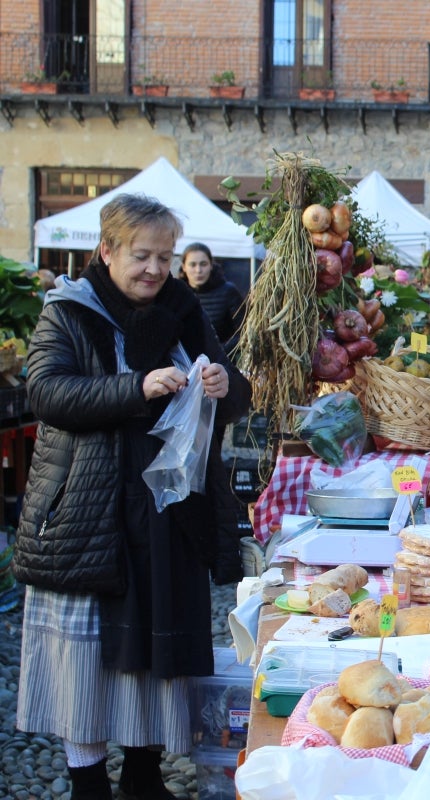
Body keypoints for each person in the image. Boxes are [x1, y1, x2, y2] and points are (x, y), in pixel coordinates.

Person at [12, 193, 251, 799]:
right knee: (86, 665)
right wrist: (135, 387)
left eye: (165, 258)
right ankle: (88, 784)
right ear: (107, 251)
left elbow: (236, 395)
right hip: (88, 512)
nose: (155, 270)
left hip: (166, 510)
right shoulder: (69, 311)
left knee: (151, 650)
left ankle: (144, 778)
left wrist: (226, 385)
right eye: (141, 256)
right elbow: (48, 394)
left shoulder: (184, 310)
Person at [180, 242, 244, 354]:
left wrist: (218, 352)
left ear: (211, 265)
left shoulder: (228, 292)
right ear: (184, 267)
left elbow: (243, 331)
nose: (198, 270)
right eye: (192, 265)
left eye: (203, 264)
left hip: (223, 362)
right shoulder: (176, 294)